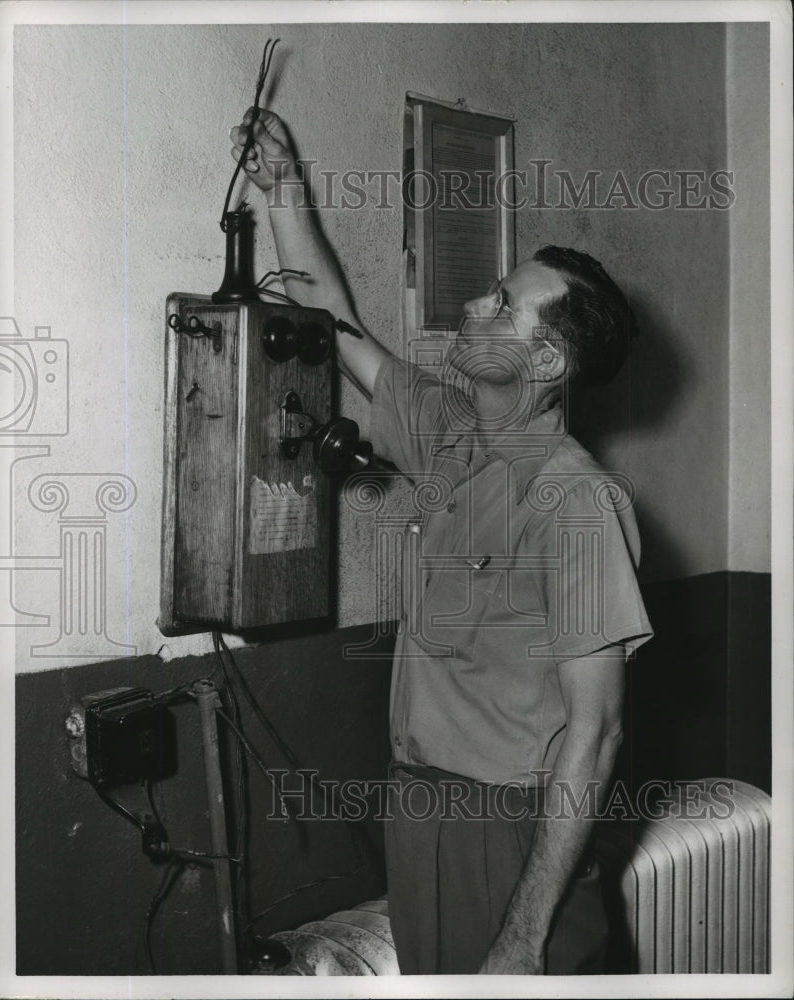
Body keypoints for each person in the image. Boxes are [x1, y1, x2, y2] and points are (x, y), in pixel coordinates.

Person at [230, 107, 653, 975]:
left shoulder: (577, 502)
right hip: (416, 807)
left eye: (501, 304)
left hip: (513, 832)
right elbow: (334, 324)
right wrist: (283, 189)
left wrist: (524, 936)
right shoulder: (449, 435)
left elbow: (598, 731)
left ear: (542, 365)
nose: (470, 303)